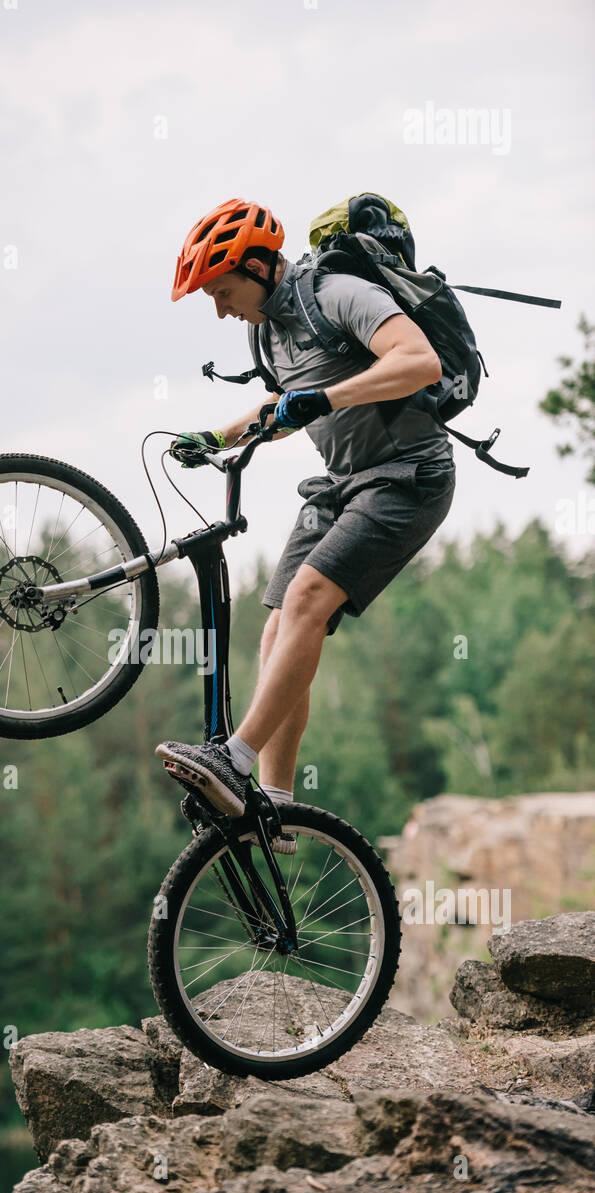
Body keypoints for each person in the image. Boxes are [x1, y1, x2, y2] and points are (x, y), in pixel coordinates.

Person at [156, 196, 455, 837]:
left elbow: (418, 360)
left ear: (261, 267)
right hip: (342, 484)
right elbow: (282, 408)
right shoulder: (266, 329)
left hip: (409, 474)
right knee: (280, 628)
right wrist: (217, 436)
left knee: (309, 598)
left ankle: (232, 759)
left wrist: (323, 397)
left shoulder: (338, 294)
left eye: (222, 288)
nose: (218, 306)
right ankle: (273, 805)